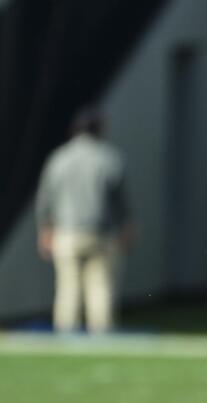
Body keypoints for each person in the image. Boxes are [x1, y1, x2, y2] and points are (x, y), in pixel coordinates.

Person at [35, 107, 133, 334]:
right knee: (100, 289)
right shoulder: (109, 158)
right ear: (99, 129)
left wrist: (45, 230)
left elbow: (45, 199)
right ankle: (102, 336)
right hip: (101, 233)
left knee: (67, 289)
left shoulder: (58, 158)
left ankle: (65, 336)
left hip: (67, 233)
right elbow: (120, 202)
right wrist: (127, 228)